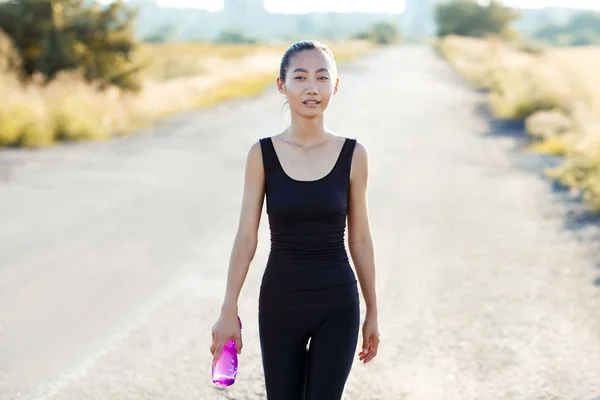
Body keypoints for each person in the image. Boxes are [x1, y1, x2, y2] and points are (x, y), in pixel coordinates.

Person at [210, 39, 380, 400]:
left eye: (321, 78)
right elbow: (246, 238)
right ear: (281, 85)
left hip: (338, 303)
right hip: (280, 302)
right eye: (300, 77)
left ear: (335, 86)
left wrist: (372, 311)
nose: (311, 88)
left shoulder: (353, 154)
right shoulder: (262, 154)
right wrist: (228, 310)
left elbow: (361, 238)